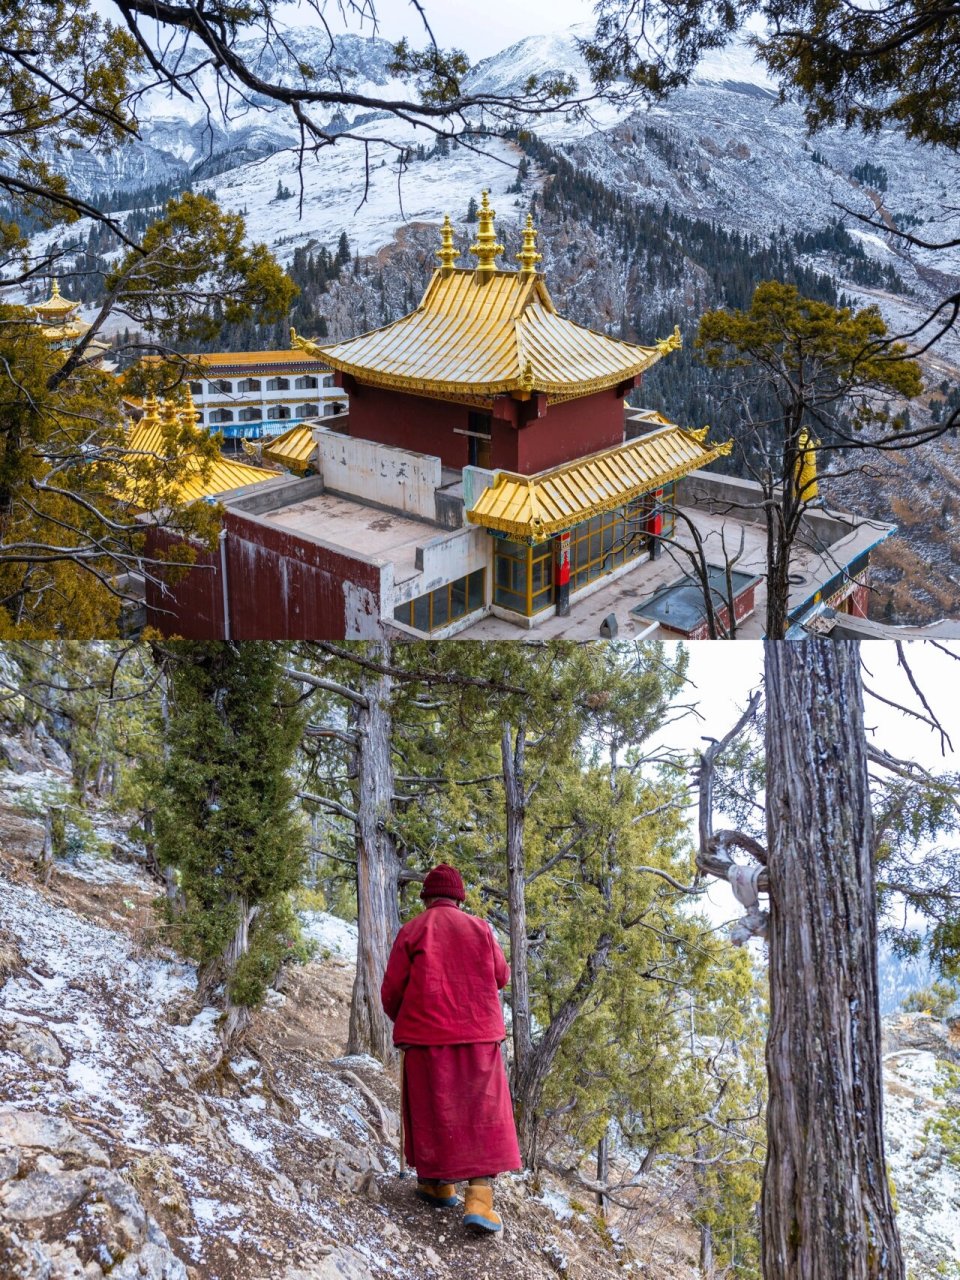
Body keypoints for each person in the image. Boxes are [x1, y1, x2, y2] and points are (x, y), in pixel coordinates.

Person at [380, 862, 521, 1233]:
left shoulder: (413, 930)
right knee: (481, 1116)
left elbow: (392, 992)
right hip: (479, 1035)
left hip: (426, 1039)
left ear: (427, 897)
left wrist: (411, 1022)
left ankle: (438, 1183)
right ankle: (479, 1201)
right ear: (459, 898)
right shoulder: (480, 928)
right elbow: (501, 976)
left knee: (433, 1109)